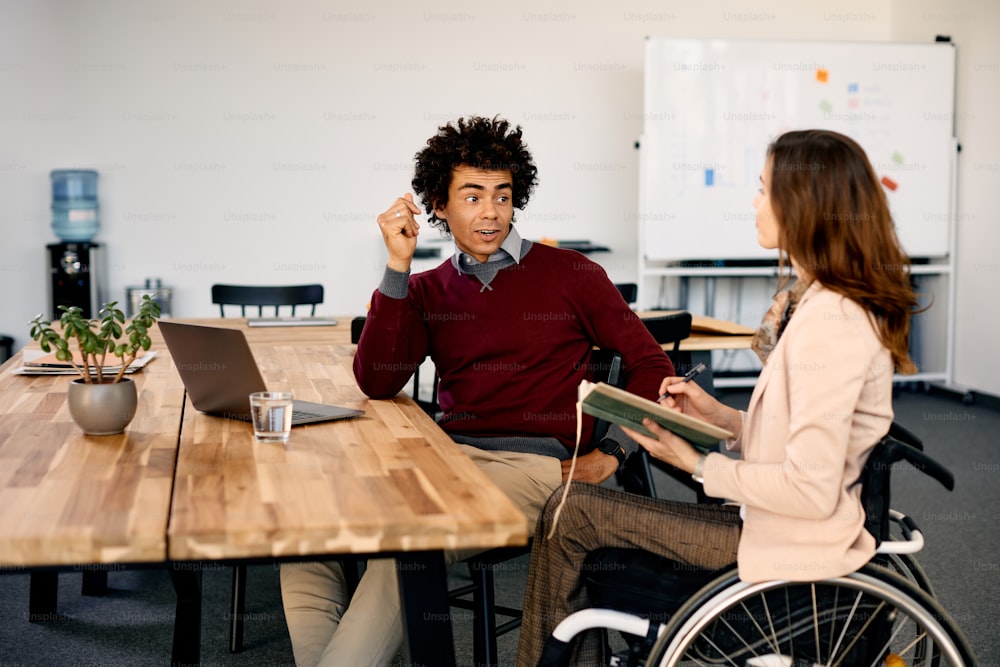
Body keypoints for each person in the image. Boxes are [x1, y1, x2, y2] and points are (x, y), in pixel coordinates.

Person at [516, 128, 921, 666]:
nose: (754, 202)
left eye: (762, 189)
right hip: (769, 523)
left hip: (790, 543)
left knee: (572, 517)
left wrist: (698, 463)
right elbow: (795, 440)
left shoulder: (834, 321)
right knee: (569, 516)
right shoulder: (821, 304)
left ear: (802, 205)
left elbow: (812, 489)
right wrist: (722, 419)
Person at [279, 115, 674, 666]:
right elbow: (376, 379)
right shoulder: (425, 288)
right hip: (450, 461)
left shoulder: (574, 274)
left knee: (407, 549)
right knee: (309, 527)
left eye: (502, 195)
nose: (490, 211)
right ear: (439, 204)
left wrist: (614, 452)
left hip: (536, 471)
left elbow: (652, 365)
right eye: (471, 196)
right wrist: (396, 266)